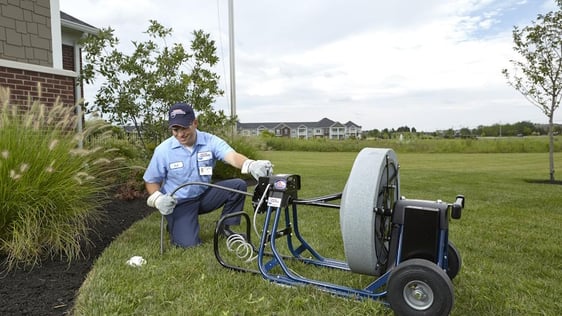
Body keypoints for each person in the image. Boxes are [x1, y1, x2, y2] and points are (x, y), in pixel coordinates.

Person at [143, 102, 272, 248]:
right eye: (175, 129)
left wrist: (250, 164)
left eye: (184, 128)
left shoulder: (210, 141)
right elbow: (151, 180)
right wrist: (158, 199)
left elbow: (231, 156)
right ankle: (176, 223)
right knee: (189, 244)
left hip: (204, 195)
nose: (180, 134)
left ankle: (225, 228)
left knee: (238, 185)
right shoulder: (163, 150)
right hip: (179, 203)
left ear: (195, 123)